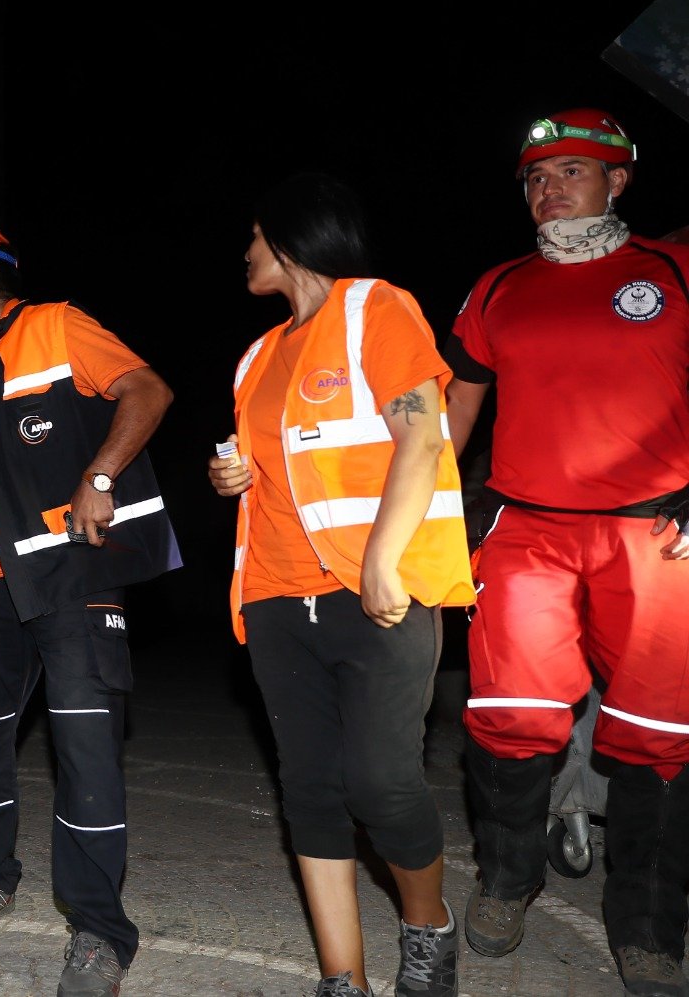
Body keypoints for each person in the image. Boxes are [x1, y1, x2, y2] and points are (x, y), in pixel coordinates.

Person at [206, 172, 475, 997]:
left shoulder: (377, 308)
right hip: (277, 597)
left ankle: (427, 925)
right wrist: (234, 475)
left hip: (379, 590)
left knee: (382, 782)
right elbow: (290, 462)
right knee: (311, 788)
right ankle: (342, 978)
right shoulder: (256, 356)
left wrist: (385, 559)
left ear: (289, 239)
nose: (246, 250)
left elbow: (422, 439)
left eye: (255, 234)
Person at [443, 108, 689, 997]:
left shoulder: (673, 269)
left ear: (618, 180)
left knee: (660, 734)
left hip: (656, 530)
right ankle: (507, 882)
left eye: (571, 173)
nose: (548, 191)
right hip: (529, 527)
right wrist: (430, 503)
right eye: (535, 179)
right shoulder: (499, 285)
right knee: (510, 712)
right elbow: (457, 403)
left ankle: (652, 929)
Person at [0, 225, 182, 997]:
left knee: (85, 749)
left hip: (70, 574)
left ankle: (101, 929)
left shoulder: (57, 327)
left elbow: (149, 388)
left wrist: (99, 474)